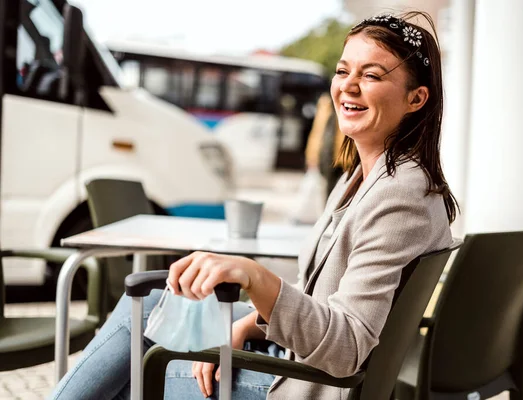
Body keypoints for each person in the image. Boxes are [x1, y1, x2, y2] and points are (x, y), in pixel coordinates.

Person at [49, 10, 458, 400]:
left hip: (306, 386)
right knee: (155, 303)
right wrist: (250, 321)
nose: (348, 85)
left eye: (370, 75)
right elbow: (323, 294)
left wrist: (255, 276)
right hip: (293, 359)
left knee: (133, 373)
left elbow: (347, 347)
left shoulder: (399, 195)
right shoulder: (366, 177)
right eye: (342, 70)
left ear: (416, 99)